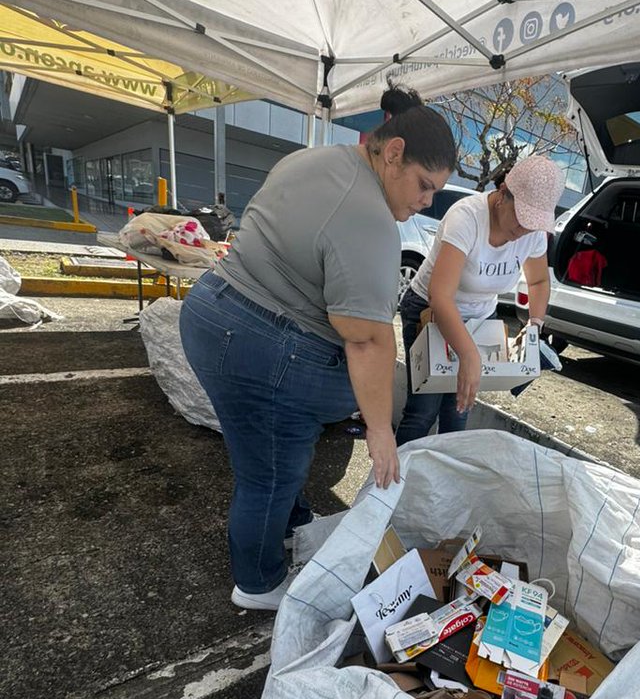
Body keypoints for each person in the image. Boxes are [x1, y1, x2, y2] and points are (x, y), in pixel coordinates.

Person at [179, 86, 456, 611]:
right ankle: (259, 584)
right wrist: (379, 431)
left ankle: (292, 518)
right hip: (260, 341)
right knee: (269, 472)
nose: (426, 202)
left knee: (264, 450)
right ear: (392, 152)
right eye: (423, 186)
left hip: (211, 309)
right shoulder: (370, 219)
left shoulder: (313, 158)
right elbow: (367, 338)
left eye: (435, 193)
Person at [395, 154, 565, 445]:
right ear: (503, 194)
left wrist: (534, 325)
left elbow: (538, 281)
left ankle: (441, 480)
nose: (523, 231)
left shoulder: (532, 235)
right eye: (522, 219)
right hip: (429, 310)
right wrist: (469, 355)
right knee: (423, 411)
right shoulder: (467, 217)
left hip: (479, 317)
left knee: (460, 408)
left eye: (533, 224)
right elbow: (441, 296)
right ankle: (393, 484)